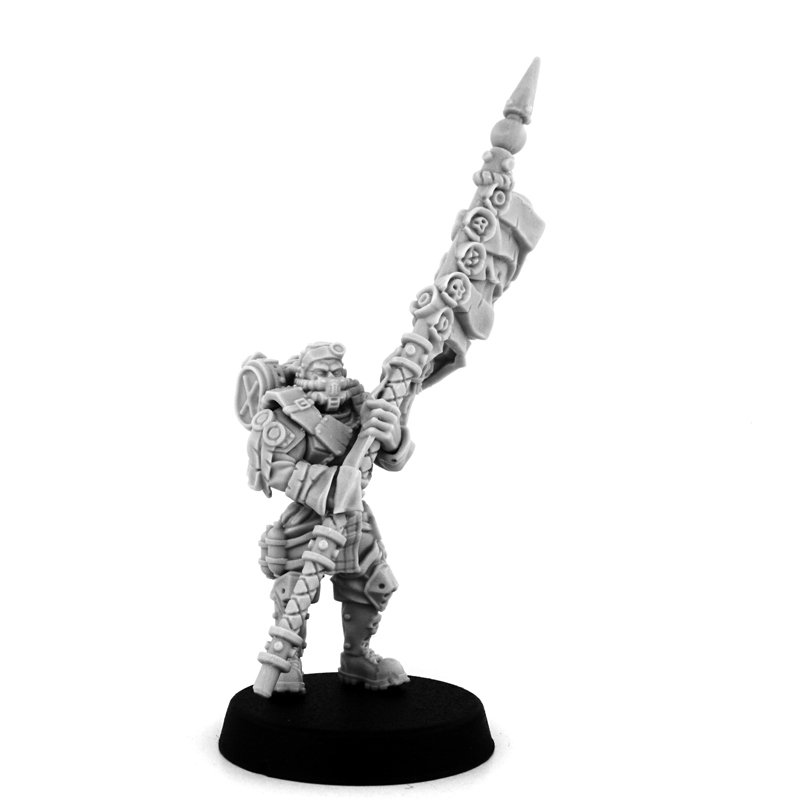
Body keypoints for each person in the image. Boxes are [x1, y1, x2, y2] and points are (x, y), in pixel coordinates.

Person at [247, 342, 414, 692]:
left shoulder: (359, 406)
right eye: (322, 372)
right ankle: (288, 661)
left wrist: (393, 437)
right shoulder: (284, 413)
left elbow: (386, 457)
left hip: (353, 515)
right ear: (303, 375)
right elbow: (277, 469)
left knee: (373, 584)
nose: (333, 379)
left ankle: (357, 658)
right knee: (294, 589)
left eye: (337, 371)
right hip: (309, 514)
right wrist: (335, 484)